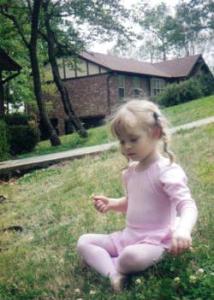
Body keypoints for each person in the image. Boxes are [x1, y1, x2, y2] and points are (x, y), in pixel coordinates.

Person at [77, 100, 198, 292]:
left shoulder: (166, 171)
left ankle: (112, 263)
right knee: (84, 241)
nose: (126, 147)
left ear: (156, 134)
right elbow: (133, 203)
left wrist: (183, 230)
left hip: (157, 240)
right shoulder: (130, 172)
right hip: (128, 236)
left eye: (133, 139)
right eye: (122, 141)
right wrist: (112, 204)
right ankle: (114, 275)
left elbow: (187, 205)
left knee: (129, 257)